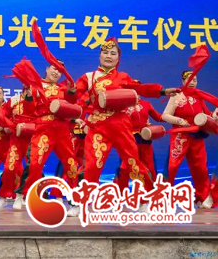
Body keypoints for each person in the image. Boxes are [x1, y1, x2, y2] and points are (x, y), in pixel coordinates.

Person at [66, 38, 177, 217]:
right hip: (98, 126)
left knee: (133, 164)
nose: (108, 56)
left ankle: (146, 199)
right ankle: (79, 203)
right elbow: (74, 97)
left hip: (121, 126)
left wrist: (162, 91)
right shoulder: (89, 77)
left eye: (113, 53)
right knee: (91, 166)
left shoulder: (123, 77)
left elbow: (141, 89)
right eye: (105, 52)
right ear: (99, 56)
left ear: (118, 58)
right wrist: (71, 91)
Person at [14, 64, 79, 210]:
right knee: (35, 164)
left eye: (60, 71)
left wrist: (72, 92)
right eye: (54, 69)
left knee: (71, 165)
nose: (57, 72)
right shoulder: (35, 87)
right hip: (43, 129)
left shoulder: (63, 89)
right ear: (47, 69)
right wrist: (28, 97)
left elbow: (72, 104)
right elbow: (29, 110)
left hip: (62, 131)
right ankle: (22, 194)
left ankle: (75, 203)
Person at [161, 71, 216, 208]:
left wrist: (214, 115)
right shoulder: (176, 96)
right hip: (180, 136)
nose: (192, 82)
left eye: (195, 80)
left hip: (197, 136)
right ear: (183, 81)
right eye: (189, 79)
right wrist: (180, 121)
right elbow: (165, 115)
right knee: (172, 167)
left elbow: (206, 114)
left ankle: (201, 197)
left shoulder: (199, 97)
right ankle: (164, 198)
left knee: (201, 168)